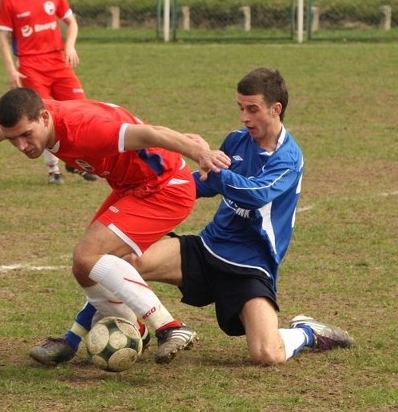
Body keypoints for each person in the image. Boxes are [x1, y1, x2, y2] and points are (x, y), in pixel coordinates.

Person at [39, 68, 354, 366]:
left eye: (253, 109)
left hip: (249, 265)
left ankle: (309, 331)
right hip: (206, 248)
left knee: (266, 354)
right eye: (241, 108)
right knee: (114, 258)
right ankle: (75, 337)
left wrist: (214, 175)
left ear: (276, 108)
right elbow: (203, 182)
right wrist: (163, 185)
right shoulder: (236, 140)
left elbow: (257, 192)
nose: (245, 117)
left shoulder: (289, 157)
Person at [0, 87, 232, 364]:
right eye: (13, 139)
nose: (22, 146)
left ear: (44, 117)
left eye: (26, 135)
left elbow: (149, 133)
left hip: (165, 187)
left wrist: (198, 151)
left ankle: (169, 326)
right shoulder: (38, 118)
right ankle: (111, 332)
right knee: (87, 266)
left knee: (89, 256)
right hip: (131, 188)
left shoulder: (85, 129)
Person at [0, 0, 97, 185]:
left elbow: (71, 22)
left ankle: (79, 162)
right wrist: (12, 69)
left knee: (81, 110)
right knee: (42, 116)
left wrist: (70, 46)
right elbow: (3, 37)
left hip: (58, 61)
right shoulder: (9, 0)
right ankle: (54, 170)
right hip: (31, 65)